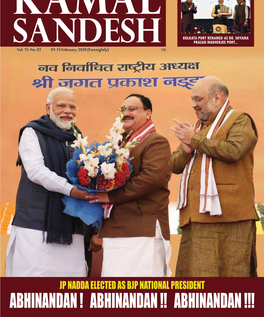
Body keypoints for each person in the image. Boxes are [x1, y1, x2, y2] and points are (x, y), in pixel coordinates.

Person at [5, 88, 101, 277]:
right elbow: (35, 171)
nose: (68, 110)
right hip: (36, 224)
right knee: (34, 286)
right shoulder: (32, 132)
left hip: (72, 227)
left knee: (69, 287)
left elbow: (87, 181)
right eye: (61, 105)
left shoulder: (78, 140)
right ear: (48, 108)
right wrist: (70, 190)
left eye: (72, 106)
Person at [170, 76, 259, 277]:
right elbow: (174, 166)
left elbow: (234, 151)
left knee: (232, 275)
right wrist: (186, 149)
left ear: (217, 98)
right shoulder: (196, 129)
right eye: (192, 100)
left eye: (198, 99)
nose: (194, 105)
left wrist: (195, 141)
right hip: (196, 217)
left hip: (230, 216)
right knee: (196, 276)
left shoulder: (240, 120)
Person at [88, 94, 172, 277]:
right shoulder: (118, 145)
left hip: (142, 229)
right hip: (115, 230)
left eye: (132, 109)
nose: (126, 113)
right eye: (123, 110)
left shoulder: (156, 141)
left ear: (148, 113)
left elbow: (151, 179)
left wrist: (111, 196)